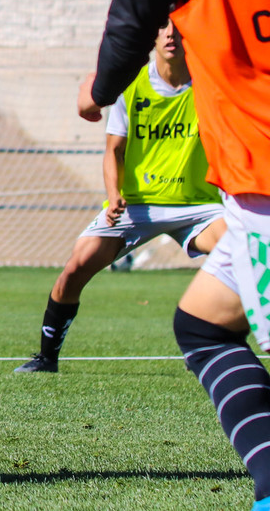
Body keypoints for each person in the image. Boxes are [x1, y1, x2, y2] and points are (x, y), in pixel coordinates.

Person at [74, 0, 270, 511]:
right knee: (204, 322)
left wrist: (97, 90)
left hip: (263, 175)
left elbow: (133, 13)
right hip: (247, 192)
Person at [16, 20, 225, 373]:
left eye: (179, 27)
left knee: (246, 254)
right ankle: (47, 357)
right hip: (136, 205)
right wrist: (113, 196)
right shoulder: (132, 85)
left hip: (196, 206)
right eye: (162, 27)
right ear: (152, 36)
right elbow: (113, 150)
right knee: (75, 268)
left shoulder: (210, 82)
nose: (171, 34)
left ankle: (206, 342)